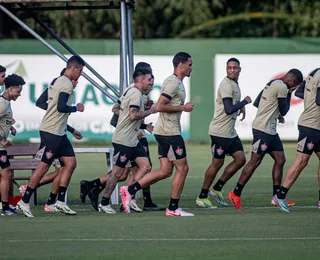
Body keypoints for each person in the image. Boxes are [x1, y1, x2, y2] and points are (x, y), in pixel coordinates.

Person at [80, 63, 164, 212]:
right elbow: (133, 115)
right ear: (141, 78)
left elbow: (117, 109)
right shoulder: (136, 94)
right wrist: (150, 111)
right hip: (124, 140)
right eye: (150, 78)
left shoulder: (129, 90)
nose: (152, 82)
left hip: (132, 140)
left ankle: (128, 194)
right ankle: (105, 202)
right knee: (118, 173)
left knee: (146, 166)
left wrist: (140, 124)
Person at [120, 52, 195, 217]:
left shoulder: (178, 83)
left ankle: (130, 190)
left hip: (164, 131)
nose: (191, 67)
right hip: (169, 132)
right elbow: (160, 106)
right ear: (180, 65)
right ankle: (173, 208)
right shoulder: (172, 82)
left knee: (165, 170)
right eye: (189, 64)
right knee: (183, 168)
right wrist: (183, 108)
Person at [17, 55, 85, 217]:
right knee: (43, 167)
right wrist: (76, 108)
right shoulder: (67, 84)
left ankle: (60, 202)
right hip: (52, 133)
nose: (80, 75)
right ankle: (24, 201)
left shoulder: (57, 80)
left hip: (58, 132)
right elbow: (61, 107)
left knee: (70, 163)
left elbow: (43, 103)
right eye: (80, 71)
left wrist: (69, 128)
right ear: (73, 68)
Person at [228, 68, 303, 210]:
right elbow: (284, 110)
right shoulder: (282, 87)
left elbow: (257, 102)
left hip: (270, 130)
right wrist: (289, 92)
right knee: (255, 161)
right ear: (291, 80)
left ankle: (276, 196)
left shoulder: (273, 82)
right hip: (263, 130)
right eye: (296, 85)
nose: (295, 88)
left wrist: (272, 113)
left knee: (280, 159)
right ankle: (235, 193)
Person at [196, 58, 251, 208]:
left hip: (230, 132)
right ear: (226, 69)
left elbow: (232, 105)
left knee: (240, 159)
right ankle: (202, 196)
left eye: (235, 68)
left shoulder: (234, 84)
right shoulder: (226, 85)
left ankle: (217, 188)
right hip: (220, 132)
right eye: (229, 68)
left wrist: (241, 107)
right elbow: (228, 109)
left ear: (240, 69)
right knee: (217, 163)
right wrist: (245, 102)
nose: (232, 70)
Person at [273, 68, 320, 212]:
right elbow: (318, 100)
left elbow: (300, 92)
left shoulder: (314, 72)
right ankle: (280, 196)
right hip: (311, 126)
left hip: (315, 125)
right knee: (301, 161)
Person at [0, 74, 25, 216]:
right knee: (6, 174)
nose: (19, 94)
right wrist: (1, 140)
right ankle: (5, 208)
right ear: (9, 89)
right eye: (18, 91)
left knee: (6, 173)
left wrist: (10, 128)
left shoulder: (5, 103)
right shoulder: (2, 104)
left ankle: (5, 207)